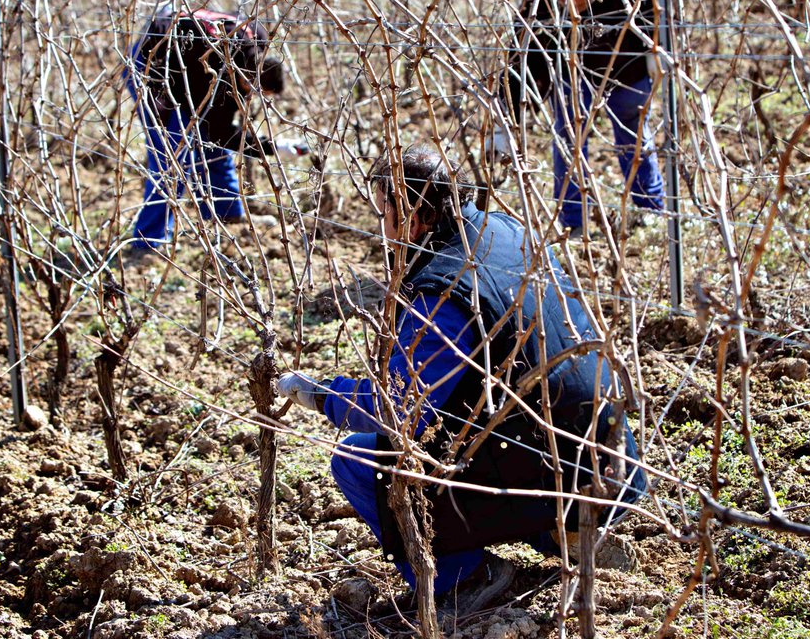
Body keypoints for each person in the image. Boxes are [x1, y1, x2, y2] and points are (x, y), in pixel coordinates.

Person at [277, 144, 646, 611]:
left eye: (386, 210)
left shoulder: (446, 292)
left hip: (551, 458)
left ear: (416, 217)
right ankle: (566, 532)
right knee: (485, 418)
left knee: (358, 460)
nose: (381, 225)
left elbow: (398, 411)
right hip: (607, 455)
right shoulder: (510, 229)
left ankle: (464, 577)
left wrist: (319, 393)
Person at [496, 0, 666, 235]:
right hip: (573, 73)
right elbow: (521, 47)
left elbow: (658, 10)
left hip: (629, 68)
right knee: (569, 140)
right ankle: (574, 221)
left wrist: (657, 49)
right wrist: (506, 109)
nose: (573, 10)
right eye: (566, 0)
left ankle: (650, 208)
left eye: (582, 3)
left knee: (633, 133)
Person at [124, 6, 304, 250]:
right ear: (247, 80)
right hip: (149, 63)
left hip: (183, 63)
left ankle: (226, 212)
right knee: (172, 157)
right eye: (256, 92)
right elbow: (221, 134)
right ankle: (149, 240)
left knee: (210, 144)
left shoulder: (256, 38)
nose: (253, 98)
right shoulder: (216, 75)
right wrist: (274, 148)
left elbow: (217, 134)